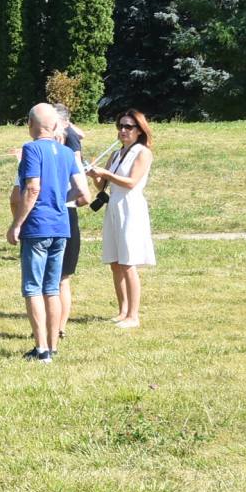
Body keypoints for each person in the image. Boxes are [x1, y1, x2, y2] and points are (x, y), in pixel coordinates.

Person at [5, 104, 90, 362]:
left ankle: (41, 349)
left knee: (32, 288)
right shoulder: (66, 152)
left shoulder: (31, 149)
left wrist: (17, 223)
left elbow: (32, 188)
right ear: (54, 126)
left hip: (37, 226)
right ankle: (52, 346)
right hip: (61, 226)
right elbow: (82, 192)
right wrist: (58, 199)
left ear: (31, 124)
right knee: (52, 288)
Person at [88, 109, 156, 329]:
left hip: (131, 207)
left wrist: (105, 174)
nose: (123, 130)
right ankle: (122, 311)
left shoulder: (142, 152)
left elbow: (131, 182)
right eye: (120, 126)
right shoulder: (116, 154)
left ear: (139, 130)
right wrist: (94, 174)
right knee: (115, 262)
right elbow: (102, 185)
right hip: (114, 207)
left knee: (128, 262)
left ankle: (133, 316)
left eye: (129, 127)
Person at [51, 103, 86, 334]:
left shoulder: (69, 147)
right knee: (57, 278)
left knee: (61, 277)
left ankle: (58, 327)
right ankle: (55, 327)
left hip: (63, 213)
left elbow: (84, 194)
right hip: (61, 213)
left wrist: (61, 198)